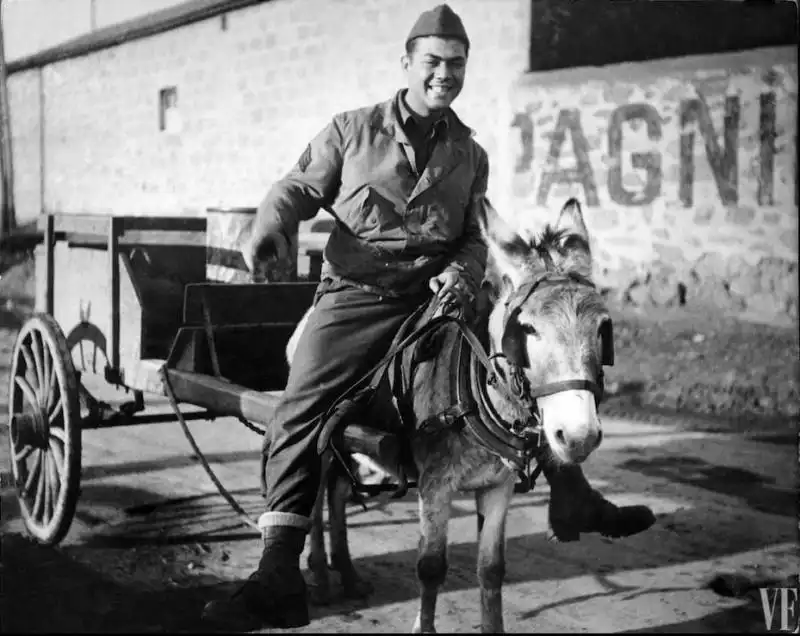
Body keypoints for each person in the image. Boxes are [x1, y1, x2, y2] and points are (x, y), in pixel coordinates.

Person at [202, 4, 655, 630]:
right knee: (302, 404)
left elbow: (473, 236)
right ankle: (279, 567)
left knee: (521, 358)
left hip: (438, 298)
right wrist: (269, 228)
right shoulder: (351, 132)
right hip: (355, 299)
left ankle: (570, 495)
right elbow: (295, 189)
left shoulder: (470, 153)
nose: (446, 75)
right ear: (408, 64)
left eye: (458, 65)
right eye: (434, 63)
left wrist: (464, 272)